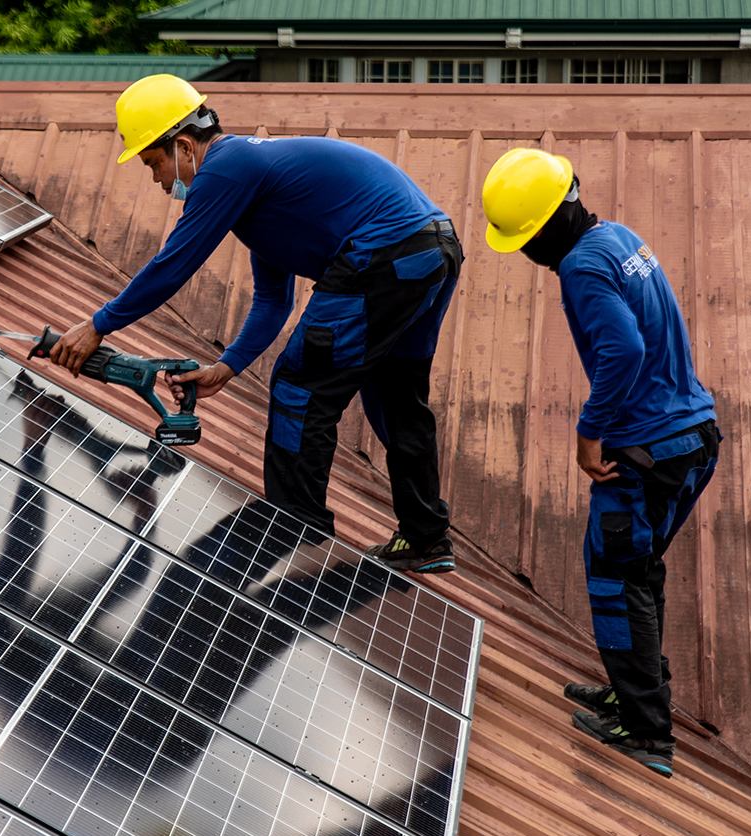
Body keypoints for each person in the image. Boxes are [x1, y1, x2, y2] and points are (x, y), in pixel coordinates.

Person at [49, 74, 463, 574]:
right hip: (431, 250)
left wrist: (98, 324)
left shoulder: (227, 168)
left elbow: (174, 265)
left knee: (299, 386)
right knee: (395, 396)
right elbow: (272, 300)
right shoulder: (258, 182)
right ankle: (426, 538)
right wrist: (226, 367)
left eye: (153, 163)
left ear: (182, 146)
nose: (158, 180)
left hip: (388, 251)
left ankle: (295, 528)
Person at [481, 148, 721, 778]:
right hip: (689, 435)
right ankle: (634, 687)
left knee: (617, 575)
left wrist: (590, 435)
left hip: (646, 448)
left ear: (549, 225)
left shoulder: (581, 265)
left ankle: (646, 731)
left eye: (528, 239)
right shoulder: (618, 238)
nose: (529, 254)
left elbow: (622, 349)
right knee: (636, 568)